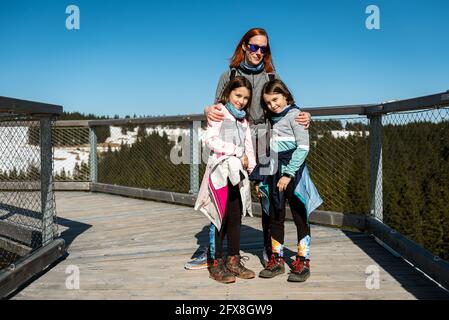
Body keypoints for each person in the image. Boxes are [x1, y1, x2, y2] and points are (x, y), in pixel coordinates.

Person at [205, 27, 312, 263]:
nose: (258, 52)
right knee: (228, 198)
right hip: (235, 141)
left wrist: (306, 116)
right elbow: (218, 109)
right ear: (244, 46)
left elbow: (289, 108)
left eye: (263, 49)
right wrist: (207, 109)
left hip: (266, 143)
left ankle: (269, 249)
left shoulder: (273, 77)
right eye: (254, 47)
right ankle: (217, 253)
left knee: (268, 199)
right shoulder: (228, 76)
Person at [250, 79, 322, 282]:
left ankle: (303, 260)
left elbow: (303, 147)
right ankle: (277, 259)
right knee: (275, 215)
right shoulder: (271, 119)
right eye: (269, 102)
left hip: (292, 172)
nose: (273, 105)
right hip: (272, 170)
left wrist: (288, 174)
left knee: (300, 215)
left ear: (286, 96)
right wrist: (260, 179)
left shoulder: (295, 116)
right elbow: (268, 149)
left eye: (276, 99)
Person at [194, 76, 257, 283]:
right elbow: (210, 140)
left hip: (238, 175)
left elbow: (249, 146)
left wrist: (252, 166)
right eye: (238, 95)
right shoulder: (219, 112)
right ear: (229, 93)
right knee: (218, 217)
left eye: (246, 98)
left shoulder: (243, 120)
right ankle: (216, 262)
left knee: (235, 217)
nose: (241, 101)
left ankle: (233, 260)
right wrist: (237, 151)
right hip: (219, 174)